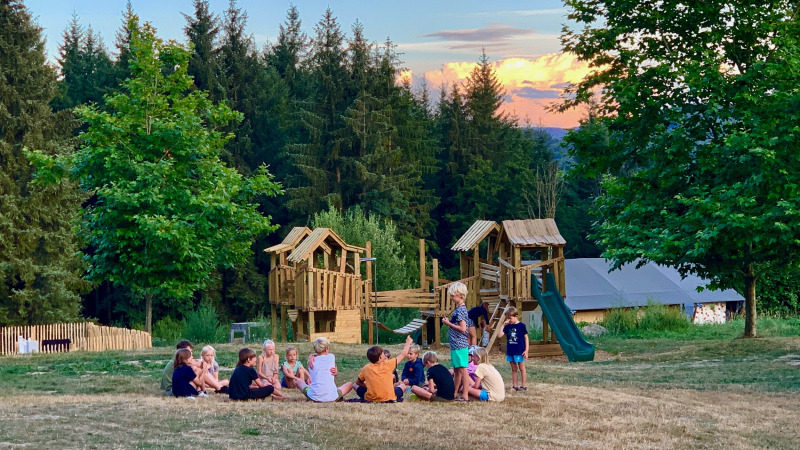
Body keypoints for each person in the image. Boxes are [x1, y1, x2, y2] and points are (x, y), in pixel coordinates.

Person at [354, 335, 413, 402]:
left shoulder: (366, 367)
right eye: (383, 353)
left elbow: (358, 382)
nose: (384, 355)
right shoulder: (387, 364)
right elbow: (403, 354)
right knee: (403, 386)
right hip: (389, 397)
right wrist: (408, 343)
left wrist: (367, 387)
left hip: (371, 398)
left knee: (354, 385)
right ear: (380, 357)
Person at [295, 337, 353, 402]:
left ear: (314, 349)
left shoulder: (310, 361)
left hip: (313, 397)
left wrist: (311, 355)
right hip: (332, 397)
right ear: (326, 349)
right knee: (349, 384)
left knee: (298, 381)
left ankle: (313, 392)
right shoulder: (331, 357)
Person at [441, 281, 471, 401]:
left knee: (463, 369)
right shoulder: (458, 309)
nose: (451, 298)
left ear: (461, 295)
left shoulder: (461, 311)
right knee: (457, 370)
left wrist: (448, 324)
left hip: (460, 345)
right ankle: (454, 393)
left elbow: (463, 329)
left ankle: (465, 395)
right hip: (455, 345)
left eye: (453, 296)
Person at [497, 306, 529, 391]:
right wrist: (503, 325)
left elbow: (526, 338)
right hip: (510, 351)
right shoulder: (507, 326)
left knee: (521, 368)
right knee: (514, 369)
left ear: (516, 316)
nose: (509, 320)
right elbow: (499, 335)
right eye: (507, 318)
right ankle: (515, 386)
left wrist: (526, 350)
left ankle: (523, 386)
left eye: (510, 318)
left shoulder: (522, 326)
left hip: (519, 351)